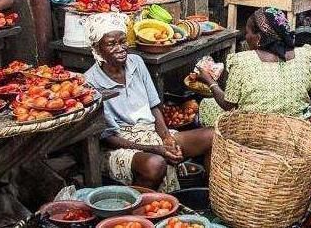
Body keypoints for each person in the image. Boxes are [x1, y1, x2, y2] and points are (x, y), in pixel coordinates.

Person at [83, 13, 213, 192]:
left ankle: (211, 198)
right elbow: (109, 139)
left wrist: (166, 138)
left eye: (122, 41)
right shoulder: (90, 82)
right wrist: (154, 149)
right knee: (155, 164)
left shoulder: (136, 62)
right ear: (97, 48)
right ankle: (138, 209)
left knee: (212, 136)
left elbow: (154, 107)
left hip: (151, 132)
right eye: (111, 44)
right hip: (119, 145)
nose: (120, 48)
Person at [198, 8, 311, 126]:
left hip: (256, 130)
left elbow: (228, 105)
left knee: (207, 105)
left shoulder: (242, 62)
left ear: (259, 38)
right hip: (296, 127)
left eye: (248, 32)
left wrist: (210, 81)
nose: (246, 37)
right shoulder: (303, 55)